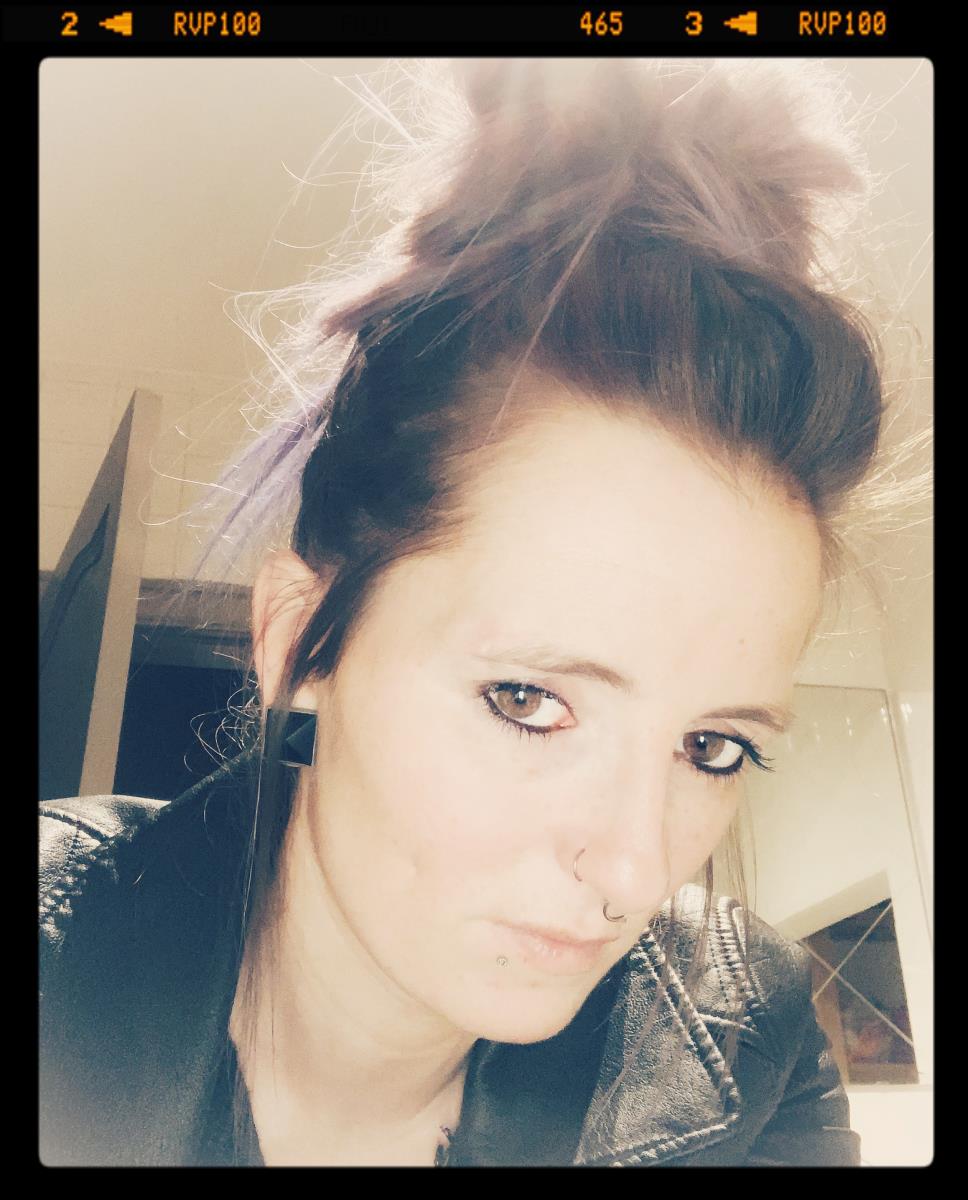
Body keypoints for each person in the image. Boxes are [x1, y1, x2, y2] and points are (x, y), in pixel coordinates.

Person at [40, 57, 924, 1166]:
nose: (632, 872)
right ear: (298, 642)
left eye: (710, 746)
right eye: (527, 700)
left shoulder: (754, 1056)